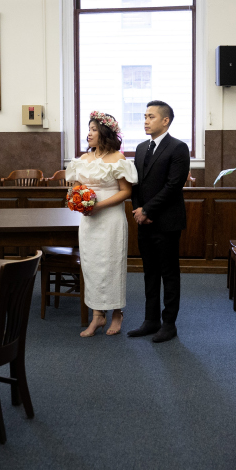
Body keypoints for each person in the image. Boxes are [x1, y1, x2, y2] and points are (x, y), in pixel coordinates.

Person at [64, 112, 137, 337]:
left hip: (111, 218)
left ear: (104, 133)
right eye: (89, 129)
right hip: (89, 221)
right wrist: (76, 200)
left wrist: (99, 205)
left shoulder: (118, 159)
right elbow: (75, 188)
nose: (89, 133)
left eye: (94, 129)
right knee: (92, 265)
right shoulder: (82, 160)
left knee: (112, 264)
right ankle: (97, 315)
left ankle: (117, 312)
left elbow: (126, 191)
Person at [128, 101, 191, 344]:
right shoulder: (142, 147)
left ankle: (169, 324)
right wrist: (137, 210)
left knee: (169, 273)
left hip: (166, 222)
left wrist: (148, 209)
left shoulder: (178, 148)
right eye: (144, 116)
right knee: (149, 272)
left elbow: (174, 185)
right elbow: (135, 184)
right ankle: (150, 320)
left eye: (151, 116)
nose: (145, 120)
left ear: (165, 121)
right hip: (144, 222)